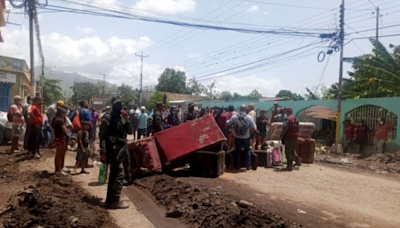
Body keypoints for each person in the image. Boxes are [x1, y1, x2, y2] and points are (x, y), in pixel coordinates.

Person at [100, 97, 132, 209]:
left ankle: (111, 200)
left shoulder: (121, 118)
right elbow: (102, 136)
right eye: (117, 104)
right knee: (118, 174)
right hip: (112, 150)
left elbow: (130, 131)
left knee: (115, 175)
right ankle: (114, 201)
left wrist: (127, 118)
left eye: (121, 104)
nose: (120, 106)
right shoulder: (108, 117)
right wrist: (103, 151)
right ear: (113, 105)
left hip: (120, 150)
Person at [227, 104, 256, 170]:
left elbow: (227, 123)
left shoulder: (234, 117)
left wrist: (231, 131)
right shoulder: (249, 117)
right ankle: (248, 166)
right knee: (247, 150)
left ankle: (238, 166)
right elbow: (254, 128)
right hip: (246, 137)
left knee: (238, 151)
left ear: (239, 109)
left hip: (237, 137)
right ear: (246, 110)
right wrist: (249, 133)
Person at [280, 107, 301, 171]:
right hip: (295, 136)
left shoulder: (288, 119)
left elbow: (285, 129)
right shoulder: (295, 119)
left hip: (289, 137)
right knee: (292, 150)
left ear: (287, 112)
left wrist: (281, 136)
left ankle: (289, 166)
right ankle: (297, 161)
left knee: (288, 152)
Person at [52, 107, 68, 173]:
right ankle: (58, 170)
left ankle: (58, 168)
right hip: (61, 137)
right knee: (60, 154)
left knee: (58, 154)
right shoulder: (60, 120)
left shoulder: (54, 119)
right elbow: (65, 130)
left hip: (57, 137)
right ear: (61, 113)